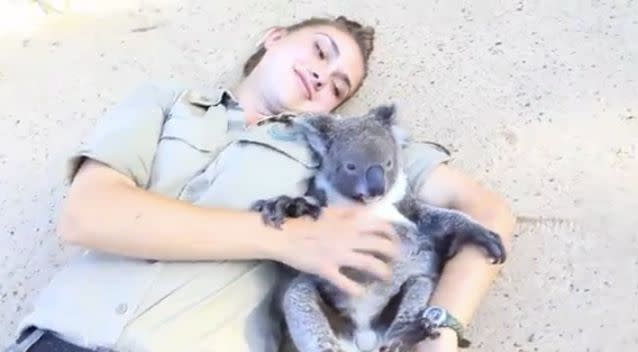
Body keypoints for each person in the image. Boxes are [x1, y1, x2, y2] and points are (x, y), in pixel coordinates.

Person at [5, 15, 516, 352]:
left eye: (339, 86)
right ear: (274, 36)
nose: (324, 77)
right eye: (321, 52)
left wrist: (440, 329)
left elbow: (486, 212)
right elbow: (88, 215)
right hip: (57, 340)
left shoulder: (341, 150)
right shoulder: (167, 102)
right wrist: (291, 238)